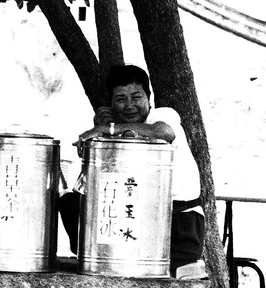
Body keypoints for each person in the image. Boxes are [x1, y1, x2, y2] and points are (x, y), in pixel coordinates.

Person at [61, 64, 204, 273]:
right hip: (136, 223)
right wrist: (102, 138)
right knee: (70, 201)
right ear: (110, 105)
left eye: (136, 97)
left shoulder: (161, 116)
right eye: (120, 99)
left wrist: (109, 129)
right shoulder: (115, 131)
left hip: (178, 229)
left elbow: (163, 132)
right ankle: (95, 254)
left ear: (148, 98)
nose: (129, 106)